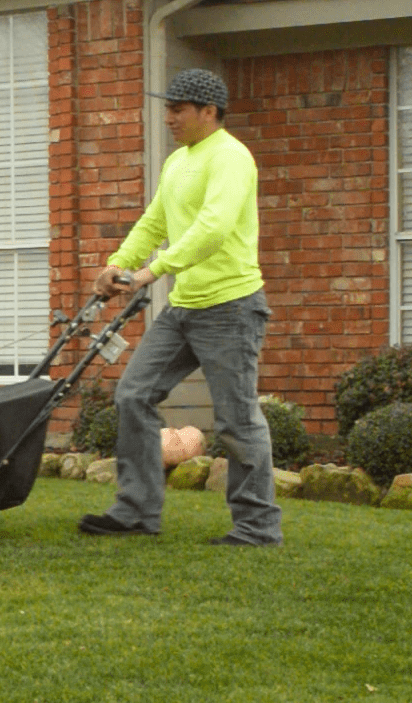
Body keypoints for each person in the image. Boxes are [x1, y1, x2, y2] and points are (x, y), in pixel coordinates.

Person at [76, 68, 283, 546]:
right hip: (184, 308)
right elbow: (154, 221)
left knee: (236, 418)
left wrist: (151, 272)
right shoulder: (177, 163)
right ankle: (136, 511)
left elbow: (212, 227)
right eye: (167, 107)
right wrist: (117, 264)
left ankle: (257, 527)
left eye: (177, 108)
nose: (168, 116)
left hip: (231, 306)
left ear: (208, 112)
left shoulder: (231, 157)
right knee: (133, 394)